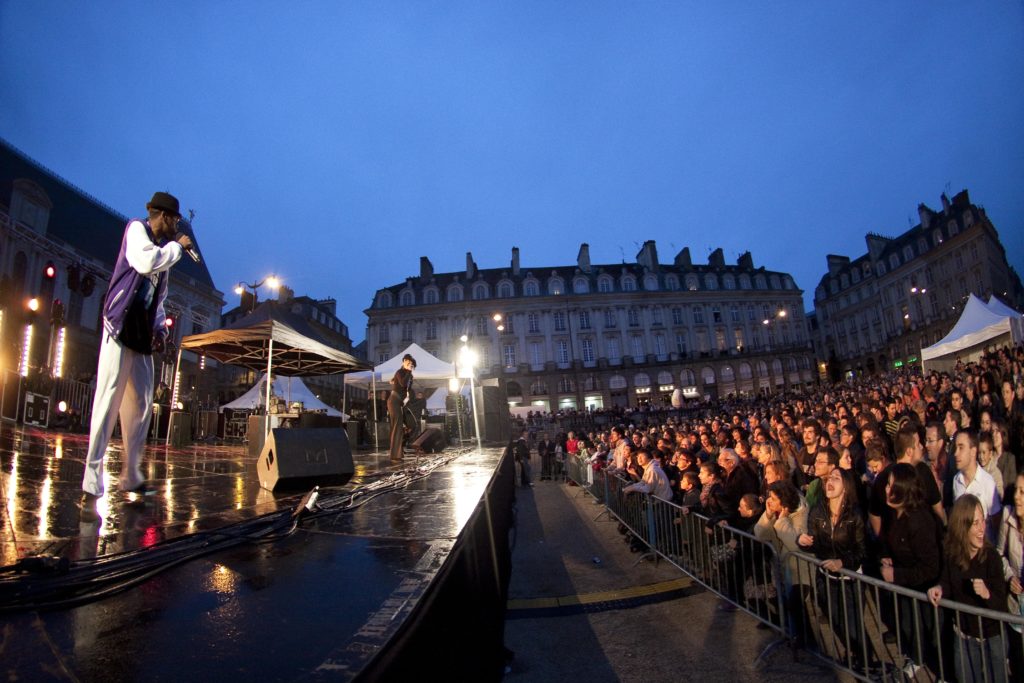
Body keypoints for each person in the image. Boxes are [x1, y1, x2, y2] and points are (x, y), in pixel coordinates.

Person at [81, 191, 193, 498]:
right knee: (108, 401)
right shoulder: (136, 229)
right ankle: (91, 477)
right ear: (164, 217)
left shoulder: (163, 254)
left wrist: (160, 327)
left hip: (141, 334)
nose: (177, 227)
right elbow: (145, 262)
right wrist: (177, 247)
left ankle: (131, 475)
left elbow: (159, 299)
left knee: (142, 405)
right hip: (119, 328)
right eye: (176, 220)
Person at [928, 495, 1010, 683]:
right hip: (964, 635)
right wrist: (938, 588)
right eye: (975, 523)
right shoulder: (952, 554)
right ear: (962, 526)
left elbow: (1001, 605)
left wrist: (987, 593)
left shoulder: (992, 558)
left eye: (983, 521)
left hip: (991, 637)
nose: (982, 529)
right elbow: (947, 581)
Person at [997, 472, 1024, 678]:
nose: (1016, 496)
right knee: (1017, 659)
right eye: (1016, 490)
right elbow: (999, 553)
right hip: (1015, 606)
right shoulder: (1008, 515)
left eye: (1023, 492)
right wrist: (1009, 576)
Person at [387, 353, 415, 461]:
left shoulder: (408, 375)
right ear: (403, 362)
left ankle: (398, 452)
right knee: (397, 427)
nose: (409, 364)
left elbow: (407, 389)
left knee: (404, 426)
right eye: (407, 362)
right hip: (394, 401)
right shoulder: (400, 372)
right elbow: (403, 383)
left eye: (411, 363)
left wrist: (410, 378)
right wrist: (408, 372)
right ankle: (395, 454)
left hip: (399, 402)